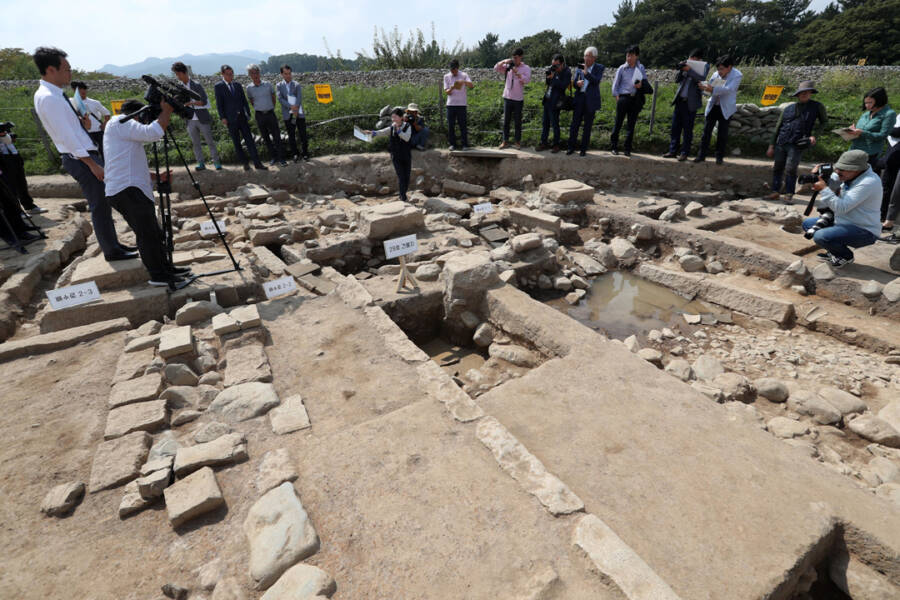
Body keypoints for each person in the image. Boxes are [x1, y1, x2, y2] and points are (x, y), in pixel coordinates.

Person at [32, 46, 136, 261]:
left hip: (82, 154)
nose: (70, 74)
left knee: (104, 203)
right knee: (99, 204)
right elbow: (67, 136)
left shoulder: (55, 94)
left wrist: (83, 123)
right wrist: (92, 164)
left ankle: (114, 245)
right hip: (80, 158)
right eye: (66, 69)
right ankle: (111, 250)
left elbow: (70, 128)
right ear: (51, 70)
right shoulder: (48, 97)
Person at [104, 99, 193, 288]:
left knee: (154, 232)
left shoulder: (118, 127)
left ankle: (166, 268)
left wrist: (155, 176)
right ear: (138, 116)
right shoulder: (122, 122)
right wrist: (166, 111)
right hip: (126, 190)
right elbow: (152, 133)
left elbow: (128, 163)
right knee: (147, 234)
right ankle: (158, 275)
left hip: (128, 188)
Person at [803, 149, 881, 268]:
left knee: (821, 236)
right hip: (843, 222)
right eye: (837, 168)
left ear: (857, 170)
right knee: (808, 225)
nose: (838, 172)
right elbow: (834, 176)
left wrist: (824, 189)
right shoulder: (851, 174)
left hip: (864, 229)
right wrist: (817, 175)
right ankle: (835, 251)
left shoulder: (868, 182)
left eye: (841, 170)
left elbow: (841, 208)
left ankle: (845, 256)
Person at [765, 81, 828, 203]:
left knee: (791, 168)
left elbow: (824, 122)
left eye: (806, 92)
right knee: (777, 167)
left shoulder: (817, 106)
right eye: (801, 93)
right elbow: (778, 127)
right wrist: (771, 145)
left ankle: (789, 193)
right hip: (781, 142)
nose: (804, 94)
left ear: (810, 93)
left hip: (797, 143)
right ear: (798, 95)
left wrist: (814, 135)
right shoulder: (788, 108)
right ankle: (775, 192)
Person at [214, 65, 267, 171]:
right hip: (230, 119)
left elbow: (244, 100)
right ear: (223, 74)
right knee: (237, 142)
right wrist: (222, 117)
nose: (231, 76)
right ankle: (245, 163)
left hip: (242, 117)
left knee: (250, 141)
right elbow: (219, 104)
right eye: (228, 74)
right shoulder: (218, 86)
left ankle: (257, 163)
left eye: (232, 73)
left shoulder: (237, 85)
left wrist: (248, 112)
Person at [171, 61, 221, 171]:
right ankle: (201, 163)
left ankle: (216, 162)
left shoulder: (196, 85)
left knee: (209, 141)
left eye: (178, 74)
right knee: (195, 143)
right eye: (176, 74)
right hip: (189, 119)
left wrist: (191, 103)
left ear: (184, 73)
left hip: (202, 117)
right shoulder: (179, 87)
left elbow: (203, 101)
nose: (177, 76)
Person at [695, 55, 743, 165]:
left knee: (722, 133)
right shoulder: (716, 74)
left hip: (725, 107)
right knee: (706, 132)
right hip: (714, 105)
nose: (719, 71)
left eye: (722, 69)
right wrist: (704, 88)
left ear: (729, 67)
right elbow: (709, 89)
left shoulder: (737, 75)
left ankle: (719, 157)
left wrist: (712, 89)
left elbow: (729, 89)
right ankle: (701, 155)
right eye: (718, 69)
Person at [663, 49, 708, 161]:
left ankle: (684, 153)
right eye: (689, 58)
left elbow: (702, 79)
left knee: (688, 129)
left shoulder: (704, 66)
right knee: (675, 127)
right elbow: (677, 80)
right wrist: (682, 70)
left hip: (691, 103)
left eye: (692, 59)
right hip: (680, 100)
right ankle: (673, 151)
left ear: (698, 59)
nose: (690, 60)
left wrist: (690, 70)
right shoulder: (685, 66)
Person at [365, 108, 413, 202]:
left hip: (406, 156)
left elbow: (407, 138)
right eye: (392, 117)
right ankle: (403, 197)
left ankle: (403, 194)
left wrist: (399, 131)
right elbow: (381, 132)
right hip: (396, 156)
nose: (393, 119)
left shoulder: (408, 126)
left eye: (395, 117)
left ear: (401, 117)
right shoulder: (391, 127)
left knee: (407, 177)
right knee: (401, 177)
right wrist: (371, 133)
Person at [0, 123, 46, 215]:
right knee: (11, 187)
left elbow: (9, 141)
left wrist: (4, 133)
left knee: (21, 183)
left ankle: (29, 206)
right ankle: (17, 211)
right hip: (3, 159)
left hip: (14, 155)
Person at [609, 45, 647, 157]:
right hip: (623, 97)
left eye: (631, 55)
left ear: (637, 56)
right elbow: (615, 85)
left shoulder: (641, 68)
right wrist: (617, 97)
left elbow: (644, 82)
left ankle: (627, 148)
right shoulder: (622, 68)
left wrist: (641, 85)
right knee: (618, 123)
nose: (629, 58)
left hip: (635, 98)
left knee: (631, 125)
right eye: (627, 55)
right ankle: (614, 147)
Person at [246, 64, 287, 167]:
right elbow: (251, 101)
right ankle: (273, 157)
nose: (255, 75)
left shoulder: (268, 84)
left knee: (276, 136)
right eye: (252, 73)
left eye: (256, 72)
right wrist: (260, 108)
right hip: (259, 115)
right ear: (249, 75)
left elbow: (273, 98)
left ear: (259, 73)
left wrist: (270, 107)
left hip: (270, 113)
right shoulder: (249, 88)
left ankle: (281, 158)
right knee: (266, 138)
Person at [568, 47, 604, 157]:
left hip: (590, 100)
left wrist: (587, 73)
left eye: (589, 56)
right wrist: (576, 83)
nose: (586, 58)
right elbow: (574, 83)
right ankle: (571, 147)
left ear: (594, 57)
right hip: (579, 98)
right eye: (585, 56)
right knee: (575, 124)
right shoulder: (580, 67)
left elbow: (596, 81)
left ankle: (583, 149)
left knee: (587, 126)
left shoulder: (599, 67)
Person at [847, 87, 896, 166]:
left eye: (870, 102)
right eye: (865, 103)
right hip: (854, 149)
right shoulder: (866, 114)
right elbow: (860, 129)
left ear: (879, 100)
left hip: (869, 153)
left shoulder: (889, 114)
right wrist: (852, 130)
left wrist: (862, 133)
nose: (867, 105)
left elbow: (882, 136)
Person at [494, 49, 531, 149]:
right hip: (507, 97)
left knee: (518, 122)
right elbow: (496, 68)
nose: (514, 60)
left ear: (521, 57)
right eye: (513, 57)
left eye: (516, 58)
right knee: (506, 121)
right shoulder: (508, 66)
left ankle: (517, 142)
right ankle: (505, 141)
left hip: (518, 99)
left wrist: (517, 72)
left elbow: (527, 80)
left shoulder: (526, 68)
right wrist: (504, 61)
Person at [536, 53, 571, 153]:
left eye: (556, 65)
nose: (554, 67)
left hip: (556, 102)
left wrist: (554, 77)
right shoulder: (553, 70)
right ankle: (543, 143)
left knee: (555, 124)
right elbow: (548, 83)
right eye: (553, 64)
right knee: (545, 123)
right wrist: (549, 76)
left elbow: (563, 86)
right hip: (547, 99)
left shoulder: (567, 72)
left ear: (562, 64)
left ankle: (556, 145)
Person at [276, 64, 309, 161]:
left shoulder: (296, 84)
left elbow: (299, 97)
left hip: (299, 113)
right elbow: (280, 99)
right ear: (281, 74)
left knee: (303, 134)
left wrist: (296, 108)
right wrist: (291, 107)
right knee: (291, 135)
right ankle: (295, 153)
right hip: (287, 114)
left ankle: (305, 153)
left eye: (289, 73)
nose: (288, 76)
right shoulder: (279, 86)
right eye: (285, 74)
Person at [69, 81, 110, 158]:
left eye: (84, 89)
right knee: (89, 154)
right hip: (82, 133)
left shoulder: (94, 102)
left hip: (97, 132)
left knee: (104, 152)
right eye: (80, 89)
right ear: (74, 91)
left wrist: (104, 124)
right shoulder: (71, 102)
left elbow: (107, 113)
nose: (83, 91)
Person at [443, 59, 473, 151]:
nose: (453, 72)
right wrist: (452, 88)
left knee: (462, 125)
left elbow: (471, 85)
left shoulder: (464, 75)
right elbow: (447, 92)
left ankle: (465, 145)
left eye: (454, 70)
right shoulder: (446, 76)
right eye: (451, 70)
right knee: (451, 125)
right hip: (450, 105)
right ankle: (452, 144)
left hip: (461, 104)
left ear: (458, 68)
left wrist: (463, 82)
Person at [880, 113, 900, 231]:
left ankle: (887, 219)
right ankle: (884, 217)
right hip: (892, 154)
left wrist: (886, 127)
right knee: (888, 185)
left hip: (895, 155)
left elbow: (897, 132)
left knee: (894, 189)